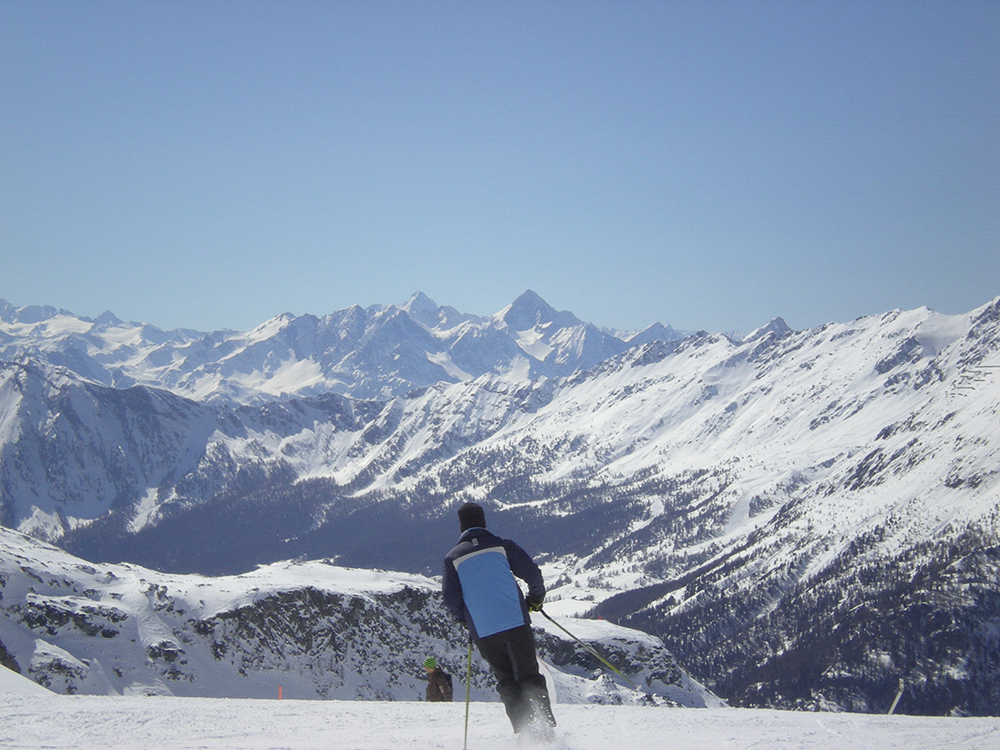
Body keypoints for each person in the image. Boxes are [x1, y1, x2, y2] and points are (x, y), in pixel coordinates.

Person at [442, 502, 556, 739]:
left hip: (484, 630)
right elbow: (532, 574)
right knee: (528, 674)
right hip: (515, 620)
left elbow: (452, 601)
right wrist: (535, 599)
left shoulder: (452, 558)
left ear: (461, 526)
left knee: (506, 679)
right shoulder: (502, 545)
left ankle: (524, 731)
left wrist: (467, 621)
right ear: (483, 522)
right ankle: (544, 729)